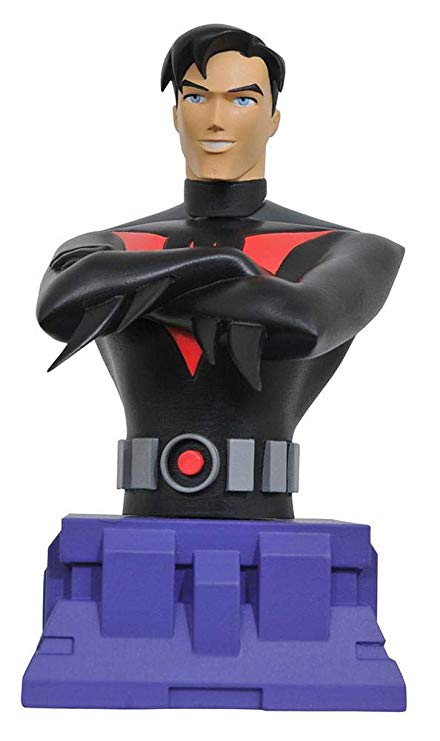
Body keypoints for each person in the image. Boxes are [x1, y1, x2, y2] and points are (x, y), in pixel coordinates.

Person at [23, 23, 406, 712]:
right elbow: (60, 304)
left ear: (275, 116)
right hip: (132, 554)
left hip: (284, 564)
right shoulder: (107, 240)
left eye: (242, 98)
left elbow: (301, 320)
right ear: (175, 112)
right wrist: (223, 265)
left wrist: (139, 287)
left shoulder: (355, 248)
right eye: (196, 96)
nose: (217, 118)